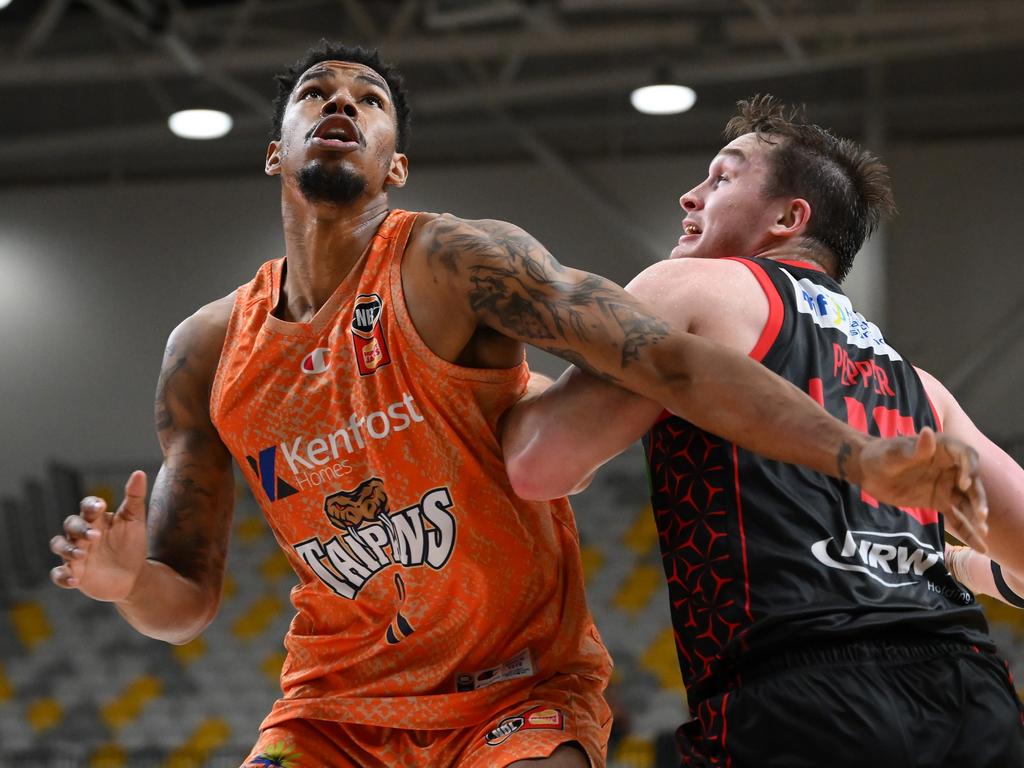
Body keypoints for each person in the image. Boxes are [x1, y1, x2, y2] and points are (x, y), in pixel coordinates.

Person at [47, 44, 986, 768]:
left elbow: (671, 364)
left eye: (368, 100)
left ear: (397, 165)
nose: (341, 105)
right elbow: (183, 602)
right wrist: (127, 584)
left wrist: (853, 456)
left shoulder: (458, 261)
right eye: (316, 94)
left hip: (516, 696)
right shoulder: (205, 350)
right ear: (274, 151)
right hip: (332, 709)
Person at [502, 96, 1024, 767]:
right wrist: (952, 565)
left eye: (721, 178)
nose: (690, 197)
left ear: (788, 217)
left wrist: (484, 380)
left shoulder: (693, 287)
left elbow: (539, 465)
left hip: (804, 699)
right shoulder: (923, 387)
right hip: (971, 699)